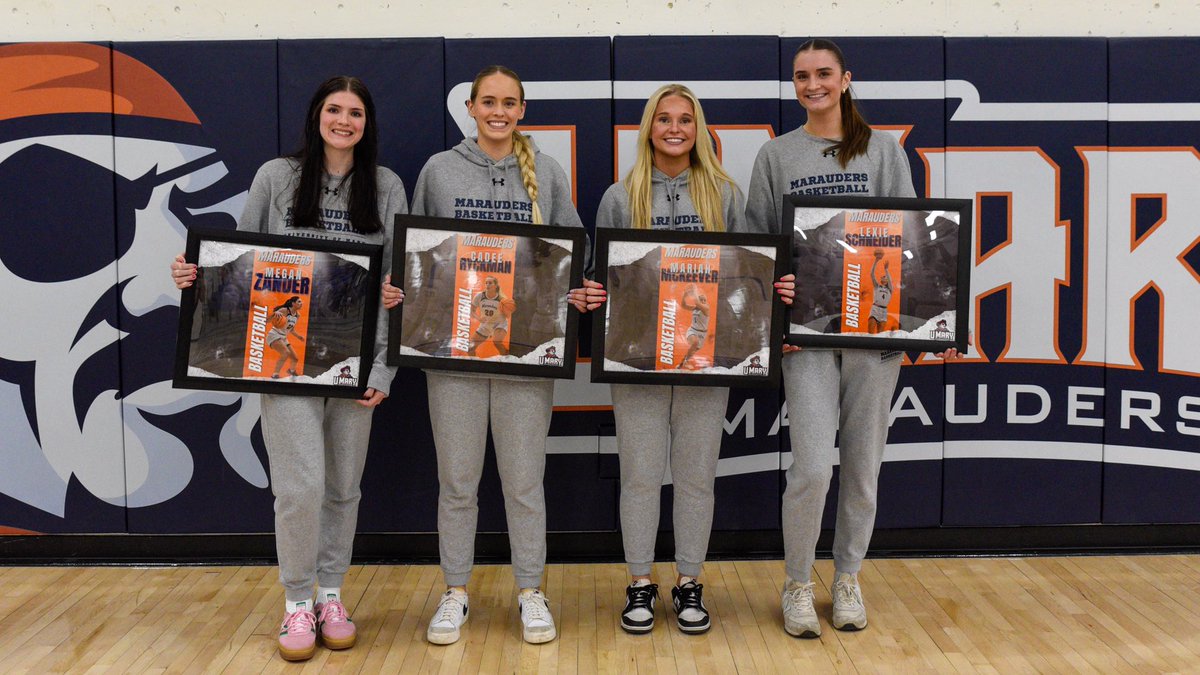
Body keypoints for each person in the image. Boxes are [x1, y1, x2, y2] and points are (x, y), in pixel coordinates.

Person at [171, 75, 406, 661]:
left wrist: (383, 370)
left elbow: (399, 287)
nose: (344, 121)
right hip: (285, 362)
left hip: (356, 367)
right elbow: (239, 261)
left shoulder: (386, 186)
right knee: (300, 489)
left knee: (343, 488)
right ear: (316, 116)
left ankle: (332, 593)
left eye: (355, 112)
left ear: (367, 122)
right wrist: (194, 276)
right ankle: (297, 601)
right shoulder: (276, 178)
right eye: (334, 110)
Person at [746, 39, 960, 639]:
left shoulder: (884, 151)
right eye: (801, 76)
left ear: (845, 80)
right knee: (812, 468)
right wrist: (776, 301)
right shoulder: (776, 155)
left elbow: (914, 243)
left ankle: (846, 579)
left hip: (874, 337)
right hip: (808, 339)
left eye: (822, 74)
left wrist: (917, 326)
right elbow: (759, 249)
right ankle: (795, 582)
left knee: (863, 468)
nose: (812, 84)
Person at [383, 65, 585, 646]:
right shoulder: (440, 171)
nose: (499, 111)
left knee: (524, 482)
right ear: (470, 108)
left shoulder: (545, 173)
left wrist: (570, 288)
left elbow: (570, 248)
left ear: (522, 110)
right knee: (458, 481)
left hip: (523, 354)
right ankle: (455, 591)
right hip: (453, 356)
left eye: (510, 103)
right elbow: (414, 249)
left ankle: (529, 591)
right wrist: (402, 289)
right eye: (488, 102)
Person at [586, 84, 790, 635]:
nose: (674, 129)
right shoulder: (618, 196)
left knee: (697, 478)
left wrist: (775, 290)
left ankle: (690, 581)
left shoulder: (723, 193)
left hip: (706, 359)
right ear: (648, 127)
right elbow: (598, 273)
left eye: (684, 120)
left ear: (697, 129)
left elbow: (750, 274)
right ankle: (638, 584)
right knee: (641, 477)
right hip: (637, 361)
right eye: (663, 119)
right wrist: (596, 290)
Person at [267, 296, 305, 377]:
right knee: (286, 353)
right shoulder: (284, 310)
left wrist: (299, 337)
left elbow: (291, 329)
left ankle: (291, 371)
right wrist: (274, 313)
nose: (301, 303)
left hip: (283, 337)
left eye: (301, 302)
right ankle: (275, 374)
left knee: (295, 358)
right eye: (299, 302)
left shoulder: (297, 315)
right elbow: (267, 321)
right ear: (293, 303)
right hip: (274, 334)